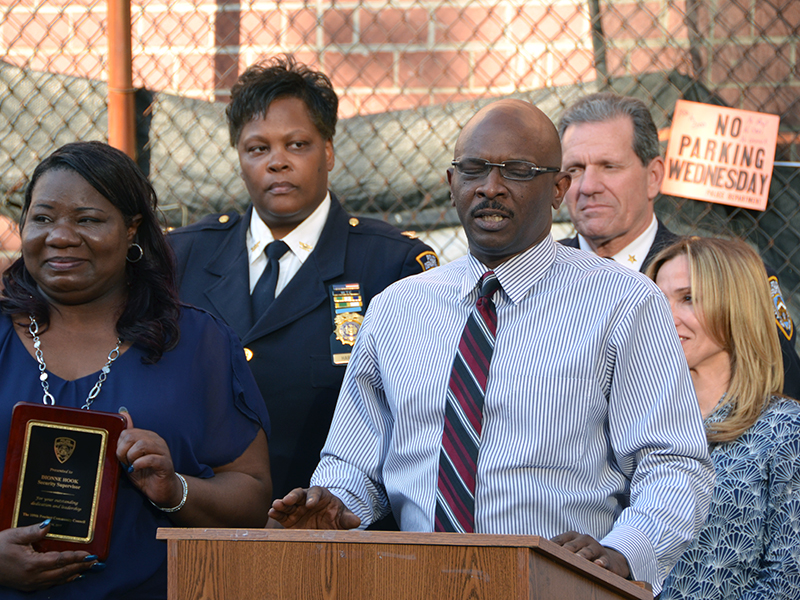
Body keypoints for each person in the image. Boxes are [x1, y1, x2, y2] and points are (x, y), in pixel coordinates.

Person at [269, 99, 714, 594]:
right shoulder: (398, 309)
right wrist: (334, 500)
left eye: (518, 171)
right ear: (451, 181)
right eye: (474, 169)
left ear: (557, 190)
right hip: (415, 584)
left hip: (561, 588)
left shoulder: (624, 303)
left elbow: (672, 464)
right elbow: (355, 460)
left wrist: (625, 551)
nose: (491, 187)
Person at [0, 141, 271, 598]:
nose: (60, 236)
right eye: (42, 218)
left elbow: (252, 495)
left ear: (132, 231)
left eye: (88, 219)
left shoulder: (197, 343)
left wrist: (175, 489)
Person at [168, 55, 438, 504]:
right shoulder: (182, 256)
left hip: (326, 528)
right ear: (239, 158)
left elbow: (415, 419)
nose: (277, 163)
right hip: (199, 521)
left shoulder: (392, 265)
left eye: (297, 145)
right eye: (258, 149)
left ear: (328, 151)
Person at [557, 92, 800, 398]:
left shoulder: (727, 275)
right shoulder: (536, 277)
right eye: (575, 170)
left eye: (609, 166)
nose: (588, 187)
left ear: (653, 177)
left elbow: (783, 393)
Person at [647, 236, 800, 599]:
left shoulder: (785, 429)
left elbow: (788, 577)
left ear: (736, 307)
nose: (664, 317)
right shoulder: (632, 422)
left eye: (688, 299)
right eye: (655, 300)